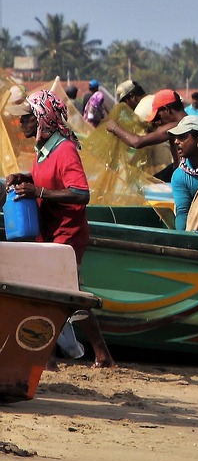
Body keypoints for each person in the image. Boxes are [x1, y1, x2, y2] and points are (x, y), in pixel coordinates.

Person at [3, 91, 115, 368]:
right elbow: (48, 178)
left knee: (68, 293)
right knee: (56, 292)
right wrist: (25, 178)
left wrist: (37, 190)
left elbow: (81, 193)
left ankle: (93, 355)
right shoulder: (44, 150)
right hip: (50, 230)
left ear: (42, 119)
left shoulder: (64, 149)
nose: (21, 124)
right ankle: (57, 354)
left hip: (68, 232)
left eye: (27, 119)